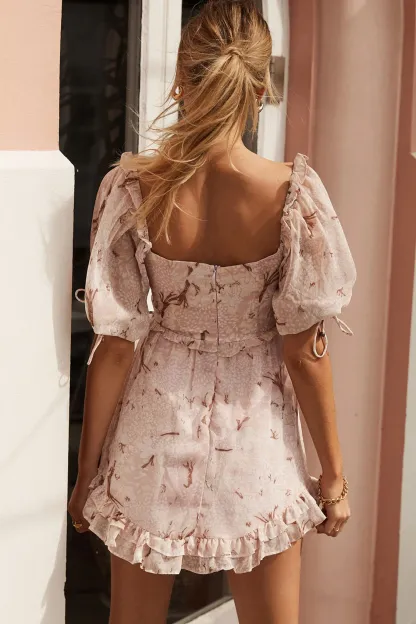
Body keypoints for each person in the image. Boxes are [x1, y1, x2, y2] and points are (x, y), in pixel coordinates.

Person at [69, 1, 356, 622]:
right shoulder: (291, 196)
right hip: (257, 444)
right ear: (260, 87)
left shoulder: (133, 188)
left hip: (152, 429)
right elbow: (304, 353)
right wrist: (333, 476)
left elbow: (114, 347)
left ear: (181, 78)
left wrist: (88, 471)